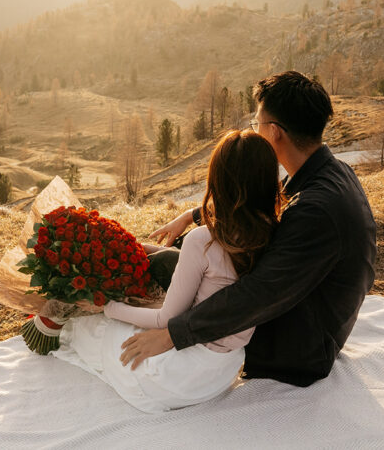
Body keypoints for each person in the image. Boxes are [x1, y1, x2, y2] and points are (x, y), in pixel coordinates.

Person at [120, 71, 377, 387]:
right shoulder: (330, 173)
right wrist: (192, 215)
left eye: (257, 123)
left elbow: (258, 294)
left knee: (172, 261)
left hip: (298, 347)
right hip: (316, 318)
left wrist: (173, 334)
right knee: (190, 249)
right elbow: (258, 202)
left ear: (274, 132)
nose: (255, 130)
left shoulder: (316, 210)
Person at [51, 130, 283, 412]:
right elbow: (213, 273)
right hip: (222, 372)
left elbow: (165, 320)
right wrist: (141, 249)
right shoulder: (276, 236)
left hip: (175, 377)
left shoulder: (203, 239)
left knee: (89, 329)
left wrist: (107, 308)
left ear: (218, 182)